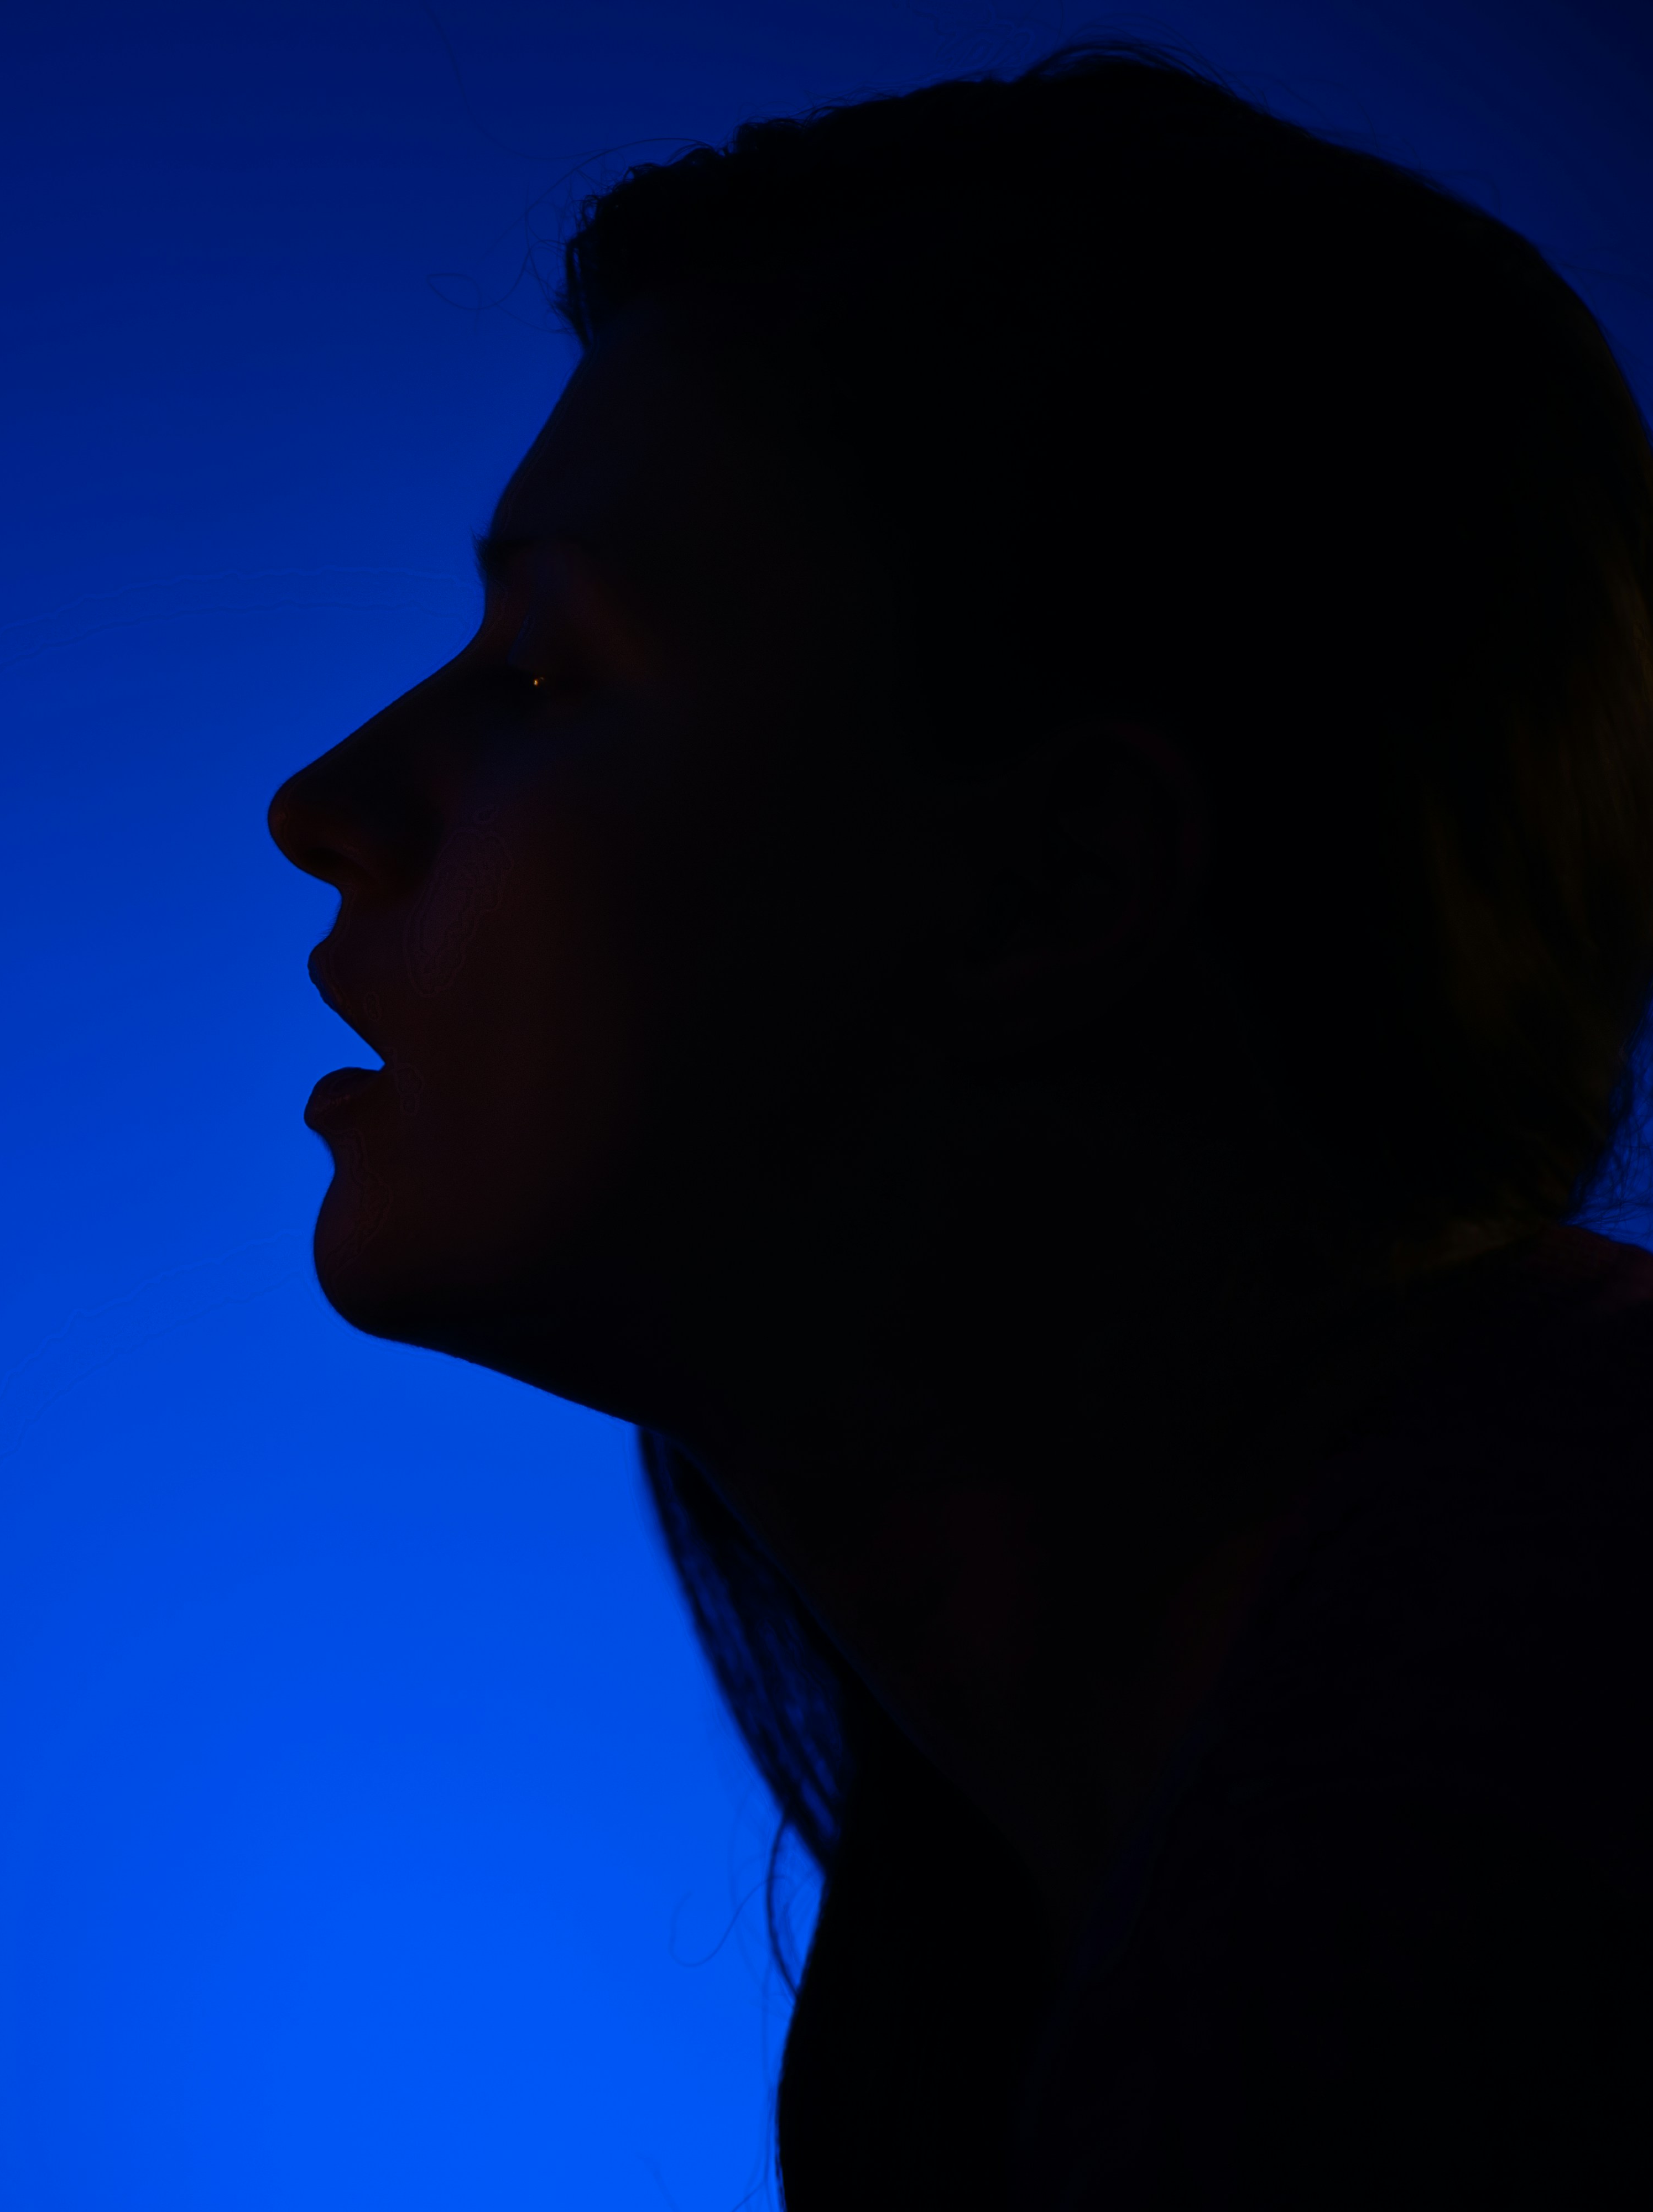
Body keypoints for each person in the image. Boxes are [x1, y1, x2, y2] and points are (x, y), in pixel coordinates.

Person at [266, 43, 1653, 2211]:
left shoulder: (1532, 1819)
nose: (330, 803)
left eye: (546, 670)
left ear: (1060, 881)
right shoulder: (1119, 1877)